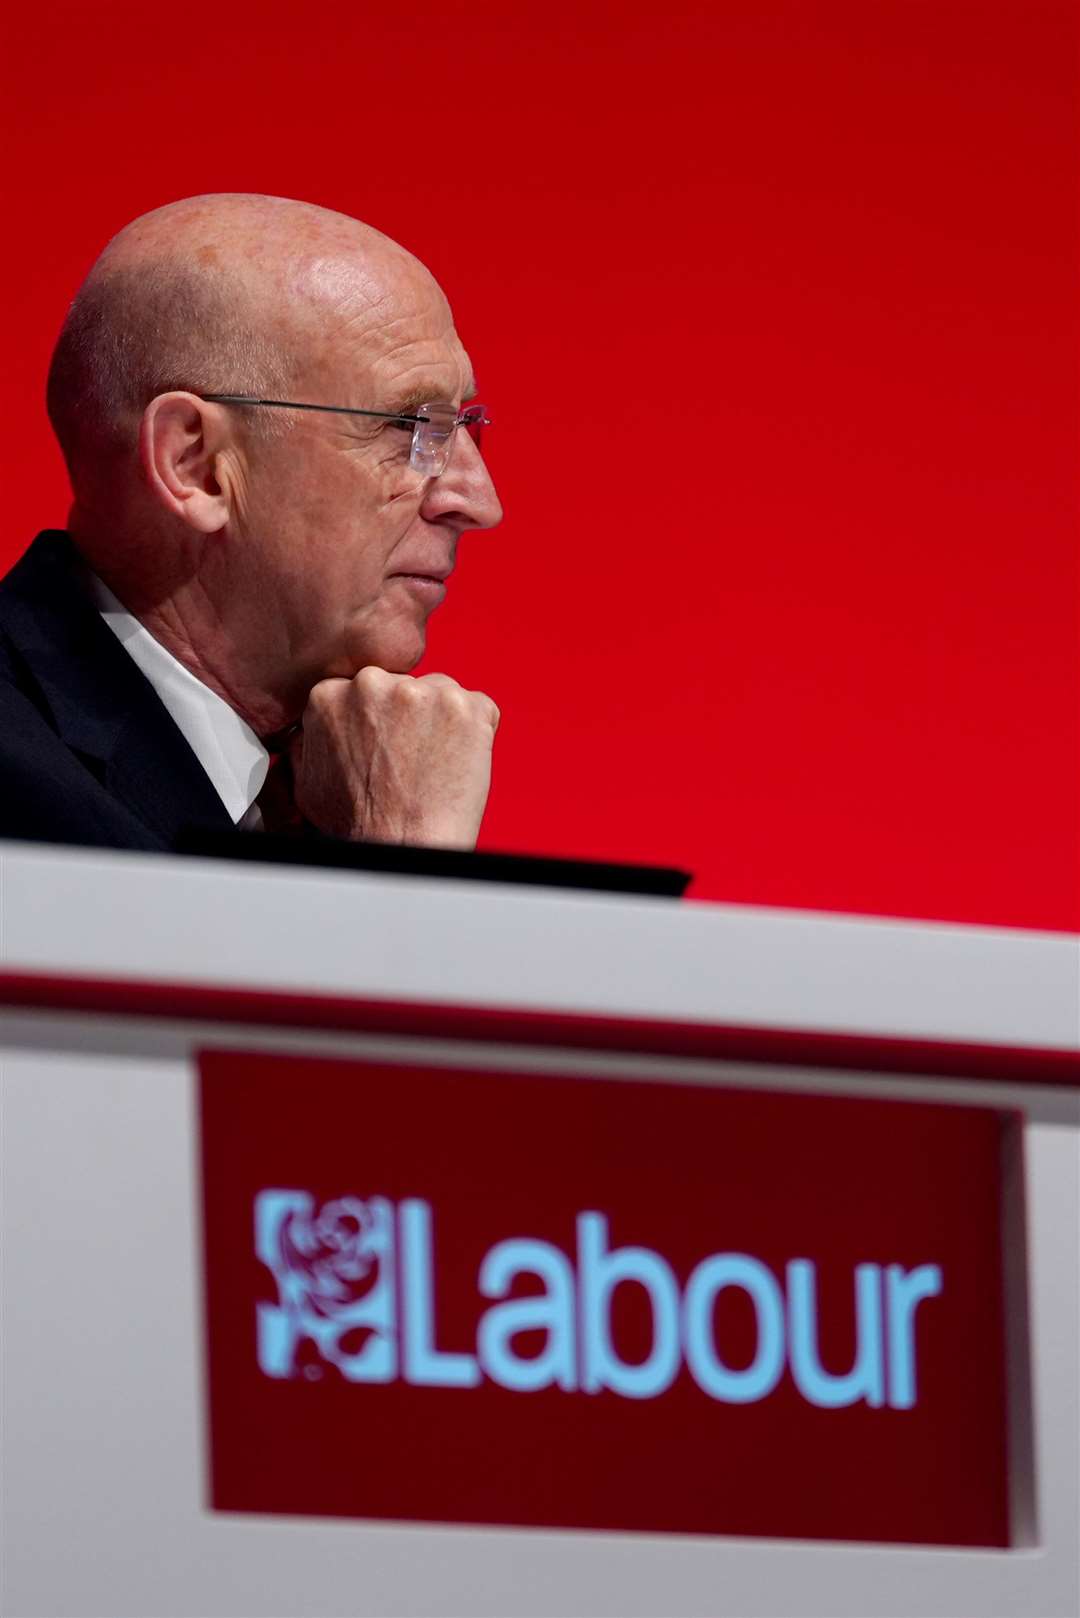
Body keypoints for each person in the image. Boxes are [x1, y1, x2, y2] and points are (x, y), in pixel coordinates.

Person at [0, 193, 503, 852]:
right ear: (197, 465)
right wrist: (409, 862)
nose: (479, 503)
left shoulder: (323, 781)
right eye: (411, 427)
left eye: (463, 426)